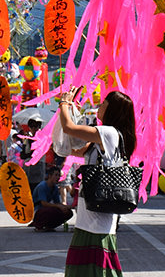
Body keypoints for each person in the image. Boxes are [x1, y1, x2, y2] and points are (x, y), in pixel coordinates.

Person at [56, 88, 137, 277]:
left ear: (112, 110)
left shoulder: (108, 133)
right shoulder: (107, 135)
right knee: (88, 266)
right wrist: (71, 112)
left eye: (103, 104)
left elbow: (69, 128)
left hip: (98, 215)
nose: (99, 107)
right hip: (91, 211)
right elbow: (75, 150)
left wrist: (64, 104)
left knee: (94, 266)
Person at [30, 167, 75, 232]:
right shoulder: (42, 186)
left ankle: (49, 226)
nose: (58, 177)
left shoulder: (55, 188)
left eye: (59, 175)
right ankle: (39, 226)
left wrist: (66, 207)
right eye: (56, 175)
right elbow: (44, 203)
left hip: (46, 209)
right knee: (52, 211)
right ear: (50, 176)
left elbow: (57, 202)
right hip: (37, 210)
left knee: (68, 212)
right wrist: (59, 206)